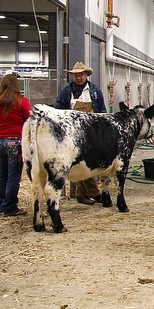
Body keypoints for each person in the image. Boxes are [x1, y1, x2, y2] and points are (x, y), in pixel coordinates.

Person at [55, 62, 106, 205]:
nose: (78, 78)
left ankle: (80, 194)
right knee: (81, 162)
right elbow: (59, 109)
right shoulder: (66, 91)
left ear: (86, 75)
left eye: (81, 75)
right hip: (73, 133)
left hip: (91, 132)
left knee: (86, 162)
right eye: (76, 75)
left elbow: (101, 111)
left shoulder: (95, 91)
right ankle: (94, 193)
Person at [0, 73, 31, 217]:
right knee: (14, 176)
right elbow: (29, 120)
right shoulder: (21, 101)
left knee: (2, 175)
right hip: (14, 141)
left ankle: (2, 203)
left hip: (0, 141)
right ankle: (10, 207)